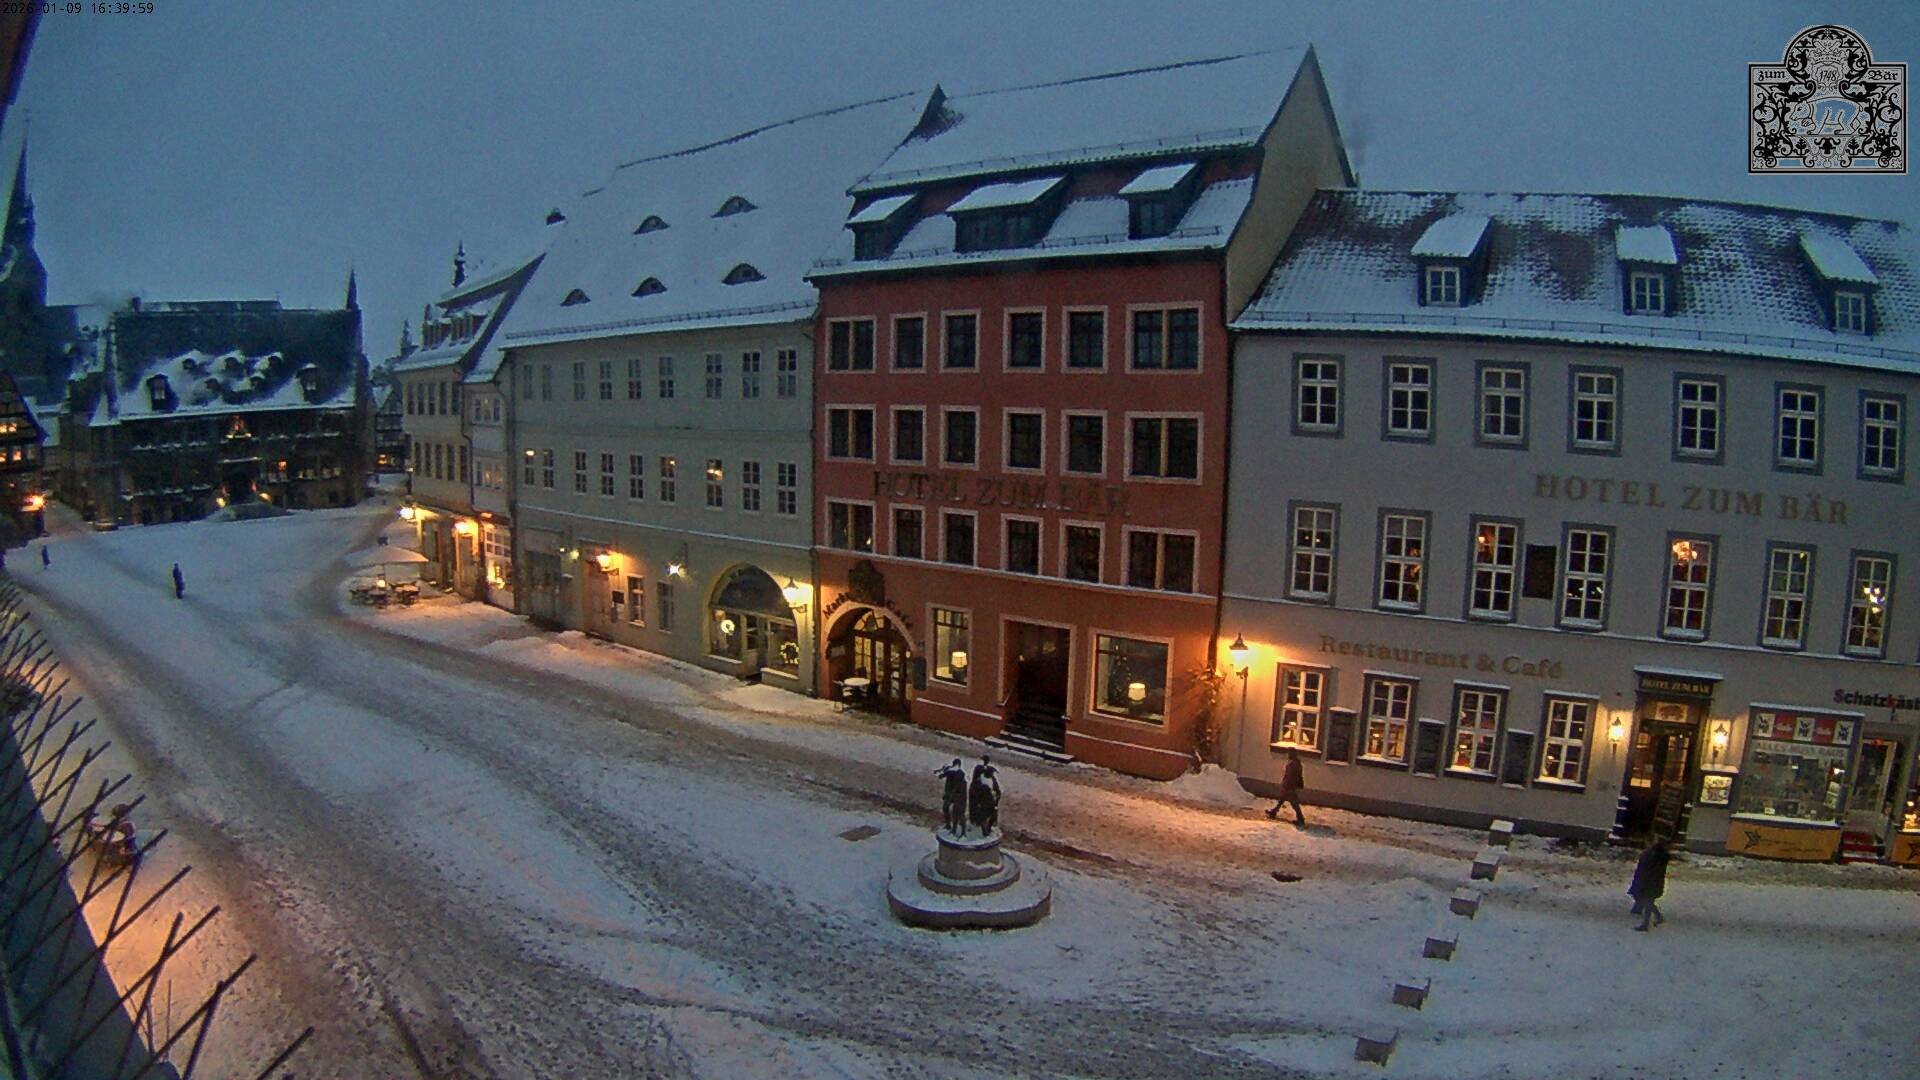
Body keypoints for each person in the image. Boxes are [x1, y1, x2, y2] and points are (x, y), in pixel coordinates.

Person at [1629, 836, 1671, 931]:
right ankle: (1657, 917)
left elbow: (1644, 869)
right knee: (1648, 901)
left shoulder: (1651, 854)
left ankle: (1646, 923)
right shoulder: (1661, 855)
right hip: (1654, 882)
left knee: (1647, 901)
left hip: (1648, 882)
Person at [1266, 747, 1307, 826]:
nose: (1288, 755)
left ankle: (1301, 819)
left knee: (1293, 803)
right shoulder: (1294, 762)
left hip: (1290, 786)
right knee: (1282, 799)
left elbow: (1292, 776)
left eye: (1289, 753)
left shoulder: (1294, 763)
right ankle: (1274, 812)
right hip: (1289, 785)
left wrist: (1288, 784)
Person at [968, 755, 1001, 836]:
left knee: (991, 816)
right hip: (983, 802)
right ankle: (983, 830)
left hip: (989, 802)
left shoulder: (990, 779)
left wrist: (996, 801)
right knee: (983, 816)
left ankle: (987, 828)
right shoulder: (980, 778)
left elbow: (998, 791)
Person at [936, 758, 968, 835]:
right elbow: (944, 774)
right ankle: (949, 826)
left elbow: (944, 775)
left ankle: (960, 831)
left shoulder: (959, 774)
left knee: (958, 813)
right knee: (946, 809)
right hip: (950, 794)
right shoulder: (952, 771)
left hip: (957, 795)